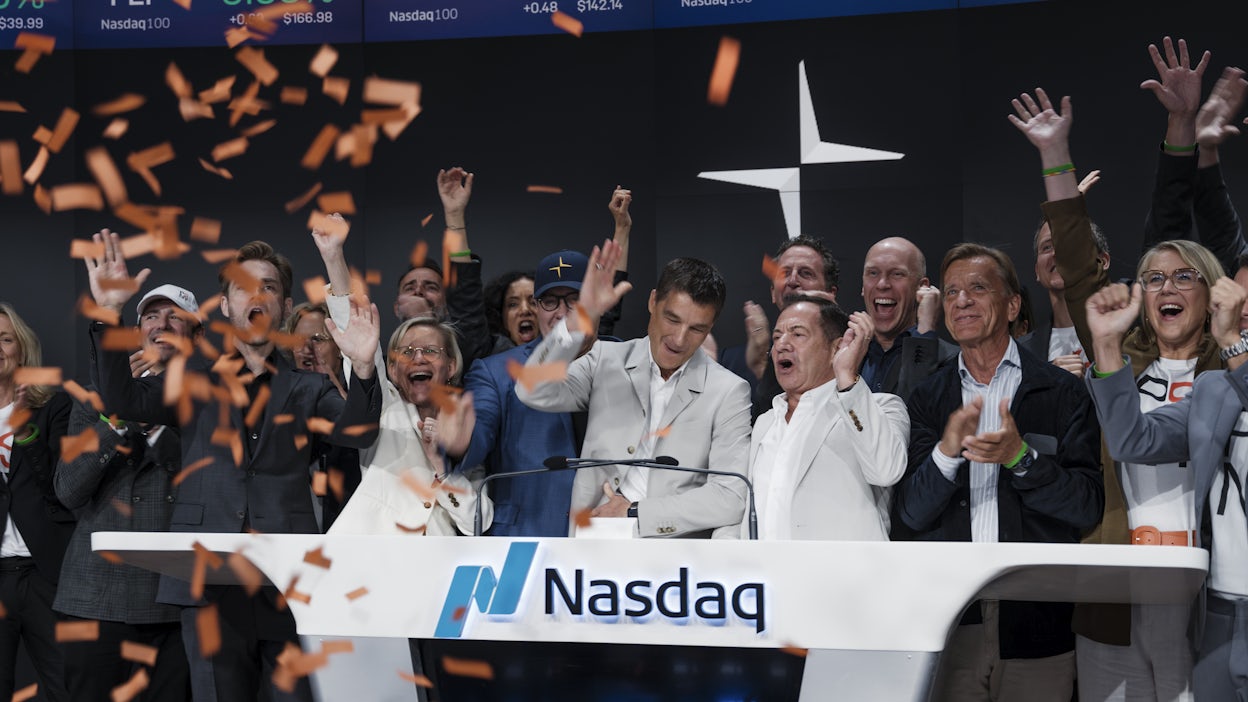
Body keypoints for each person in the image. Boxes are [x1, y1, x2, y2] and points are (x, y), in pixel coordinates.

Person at [84, 231, 383, 702]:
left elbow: (359, 433)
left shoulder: (307, 388)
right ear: (225, 305)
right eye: (244, 287)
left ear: (284, 308)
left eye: (269, 287)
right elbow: (121, 400)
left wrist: (364, 370)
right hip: (207, 584)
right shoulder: (189, 379)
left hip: (287, 582)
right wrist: (109, 315)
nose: (257, 296)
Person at [1011, 81, 1228, 700]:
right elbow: (1077, 270)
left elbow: (1178, 213)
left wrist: (1187, 136)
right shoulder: (1122, 361)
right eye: (1154, 276)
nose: (1166, 286)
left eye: (1185, 276)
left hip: (1207, 589)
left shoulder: (1231, 372)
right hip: (1117, 583)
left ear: (1210, 290)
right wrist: (1055, 156)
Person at [892, 243, 1103, 701]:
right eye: (950, 293)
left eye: (977, 288)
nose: (961, 301)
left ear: (1011, 306)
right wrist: (948, 452)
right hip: (950, 621)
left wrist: (1020, 458)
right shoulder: (927, 398)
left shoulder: (1062, 393)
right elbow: (908, 515)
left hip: (1039, 623)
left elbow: (1086, 507)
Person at [1085, 274, 1248, 702]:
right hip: (1220, 605)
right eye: (1238, 291)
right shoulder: (1216, 389)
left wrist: (1230, 340)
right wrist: (1104, 344)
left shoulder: (1224, 366)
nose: (1241, 304)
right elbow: (1132, 441)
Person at [517, 244, 752, 537]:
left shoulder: (729, 390)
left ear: (712, 325)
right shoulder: (605, 358)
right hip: (591, 546)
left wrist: (635, 512)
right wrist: (575, 324)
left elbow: (730, 497)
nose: (679, 339)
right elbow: (531, 390)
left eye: (696, 329)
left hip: (676, 560)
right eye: (672, 319)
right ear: (653, 302)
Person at [54, 285, 200, 701]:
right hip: (94, 600)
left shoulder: (214, 398)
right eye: (151, 317)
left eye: (175, 317)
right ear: (136, 333)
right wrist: (120, 417)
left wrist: (149, 415)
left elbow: (209, 483)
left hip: (171, 603)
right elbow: (68, 489)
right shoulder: (93, 396)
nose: (162, 325)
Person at [722, 296, 908, 540]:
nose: (781, 345)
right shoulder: (765, 422)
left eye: (797, 334)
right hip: (769, 574)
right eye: (777, 337)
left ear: (837, 348)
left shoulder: (881, 408)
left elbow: (886, 470)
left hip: (842, 576)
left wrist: (846, 374)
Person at [452, 249, 590, 536]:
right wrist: (460, 441)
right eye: (550, 301)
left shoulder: (623, 359)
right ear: (538, 307)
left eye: (573, 300)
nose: (562, 313)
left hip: (609, 541)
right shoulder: (496, 370)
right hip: (525, 535)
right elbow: (478, 433)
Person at [329, 316, 486, 536]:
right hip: (372, 560)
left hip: (434, 563)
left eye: (431, 350)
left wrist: (442, 469)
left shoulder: (464, 427)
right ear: (392, 370)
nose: (418, 358)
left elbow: (478, 521)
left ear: (451, 366)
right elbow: (362, 354)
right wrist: (341, 295)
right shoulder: (384, 407)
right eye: (407, 352)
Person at [0, 303, 72, 702]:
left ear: (22, 350)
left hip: (46, 574)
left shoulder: (54, 408)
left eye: (5, 338)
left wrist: (26, 433)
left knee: (66, 686)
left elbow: (63, 491)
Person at [721, 235, 839, 419]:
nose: (792, 281)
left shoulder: (850, 354)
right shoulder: (733, 363)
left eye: (806, 273)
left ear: (829, 293)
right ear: (773, 293)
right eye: (784, 274)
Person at [282, 302, 361, 533]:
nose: (307, 348)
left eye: (317, 339)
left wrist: (329, 386)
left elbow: (360, 433)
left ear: (340, 347)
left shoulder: (363, 396)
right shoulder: (277, 400)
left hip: (352, 530)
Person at [858, 236, 956, 398]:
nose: (882, 284)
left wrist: (926, 328)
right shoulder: (843, 355)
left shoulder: (949, 360)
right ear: (863, 286)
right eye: (873, 273)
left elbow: (914, 413)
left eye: (897, 274)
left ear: (922, 287)